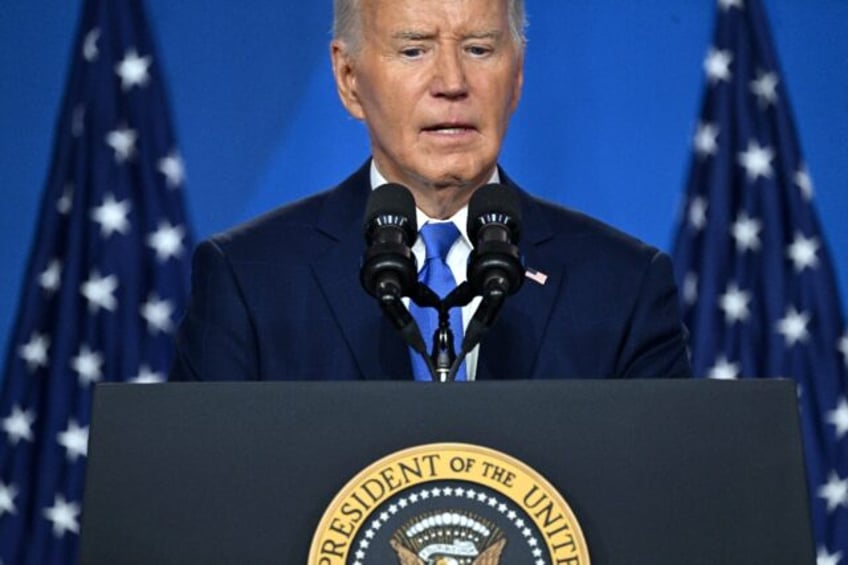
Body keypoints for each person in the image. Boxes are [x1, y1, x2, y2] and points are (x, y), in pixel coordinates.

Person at [170, 0, 692, 382]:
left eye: (479, 48)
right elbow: (207, 506)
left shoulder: (624, 287)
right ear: (349, 78)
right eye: (414, 49)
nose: (451, 81)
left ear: (516, 77)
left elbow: (657, 510)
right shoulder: (248, 279)